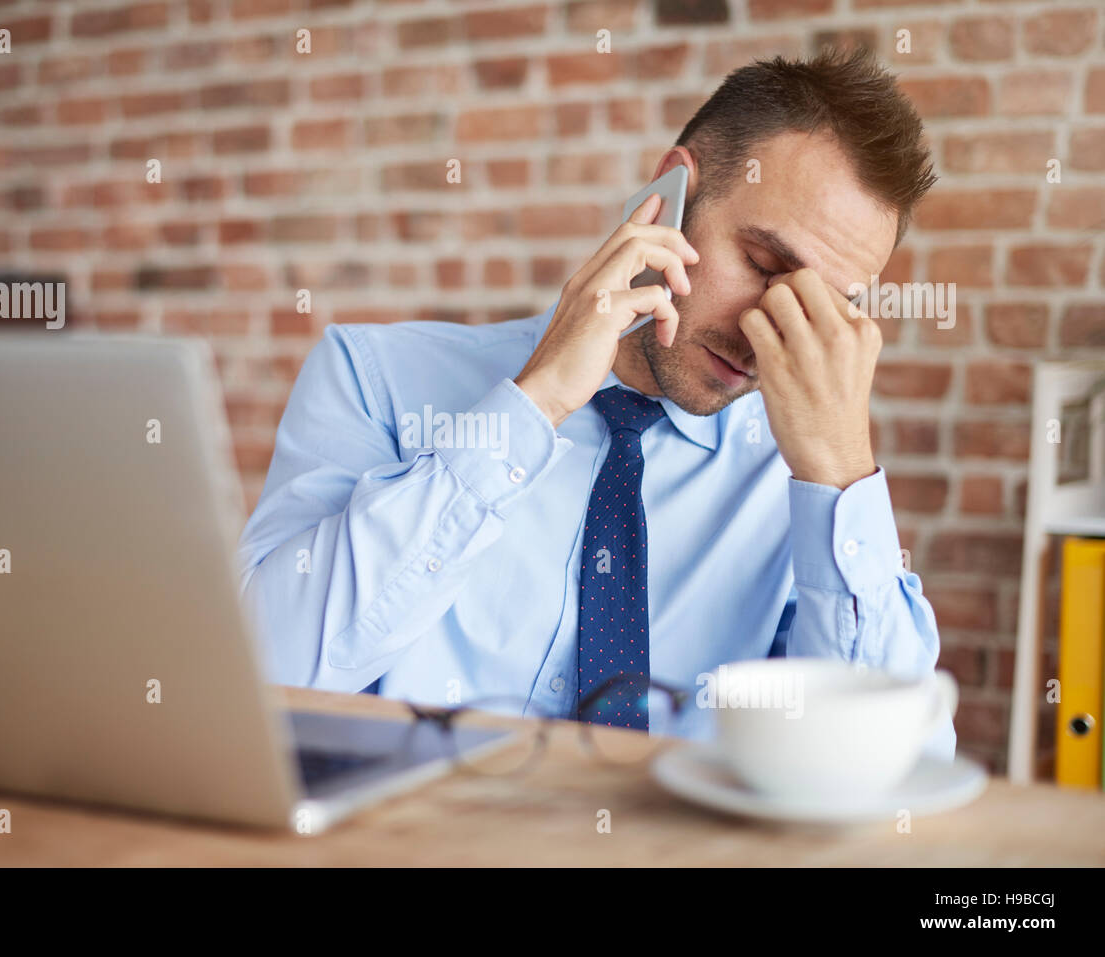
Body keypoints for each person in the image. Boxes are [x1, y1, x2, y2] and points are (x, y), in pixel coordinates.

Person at [237, 47, 954, 756]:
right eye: (763, 265)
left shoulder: (798, 485)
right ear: (670, 197)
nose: (763, 334)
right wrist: (536, 402)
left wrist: (841, 474)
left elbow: (897, 769)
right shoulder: (377, 379)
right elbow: (261, 679)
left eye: (818, 310)